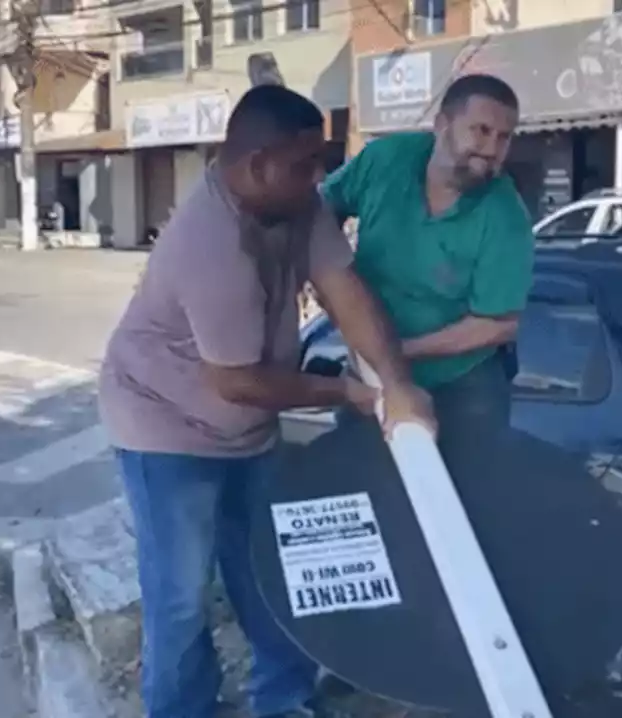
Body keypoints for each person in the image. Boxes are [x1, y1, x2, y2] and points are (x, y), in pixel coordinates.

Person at [98, 85, 433, 718]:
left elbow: (345, 287)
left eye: (321, 161)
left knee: (269, 571)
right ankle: (181, 709)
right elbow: (240, 381)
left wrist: (396, 382)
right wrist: (344, 391)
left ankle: (283, 700)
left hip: (246, 432)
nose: (321, 177)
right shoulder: (210, 243)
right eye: (306, 165)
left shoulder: (298, 205)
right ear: (257, 166)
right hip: (163, 426)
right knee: (180, 594)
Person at [320, 73, 534, 451]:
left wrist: (396, 351)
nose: (491, 148)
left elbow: (497, 325)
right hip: (370, 370)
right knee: (354, 473)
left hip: (462, 385)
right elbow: (321, 208)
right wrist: (327, 277)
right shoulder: (385, 159)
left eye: (504, 137)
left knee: (466, 493)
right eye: (481, 130)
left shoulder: (506, 215)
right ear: (441, 124)